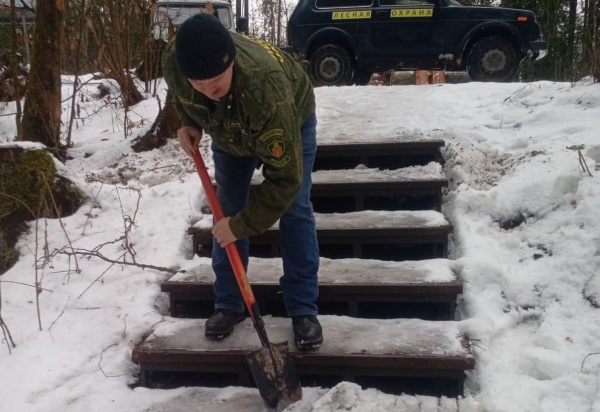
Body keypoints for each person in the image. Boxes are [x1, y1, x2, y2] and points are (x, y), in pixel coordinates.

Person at [162, 13, 322, 351]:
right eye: (199, 84)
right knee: (227, 208)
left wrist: (243, 226)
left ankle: (303, 308)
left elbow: (285, 180)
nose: (208, 90)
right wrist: (190, 123)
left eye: (216, 82)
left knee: (295, 208)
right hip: (229, 131)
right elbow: (183, 96)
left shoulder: (267, 88)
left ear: (230, 59)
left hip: (288, 114)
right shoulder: (176, 62)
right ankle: (229, 303)